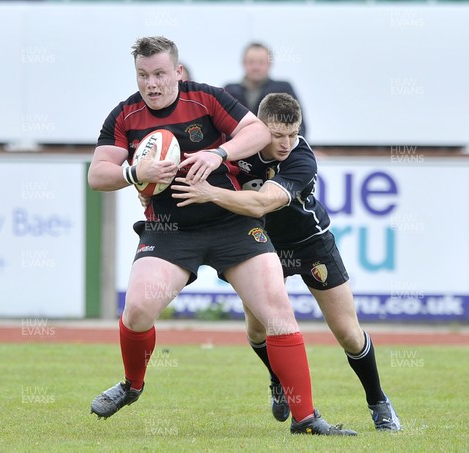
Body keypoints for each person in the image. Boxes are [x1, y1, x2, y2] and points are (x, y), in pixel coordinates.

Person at [88, 36, 356, 436]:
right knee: (138, 309)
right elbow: (97, 175)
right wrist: (134, 173)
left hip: (232, 224)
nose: (152, 84)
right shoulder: (125, 115)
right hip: (169, 229)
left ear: (177, 71)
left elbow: (257, 133)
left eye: (160, 73)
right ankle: (132, 385)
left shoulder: (208, 99)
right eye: (143, 75)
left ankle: (306, 419)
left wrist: (219, 154)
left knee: (278, 313)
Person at [171, 92, 401, 432]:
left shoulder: (302, 159)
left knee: (348, 333)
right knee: (257, 328)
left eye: (293, 133)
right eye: (278, 135)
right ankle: (278, 380)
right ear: (259, 127)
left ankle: (378, 401)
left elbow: (262, 204)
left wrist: (211, 194)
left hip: (311, 244)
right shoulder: (235, 145)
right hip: (259, 244)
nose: (286, 143)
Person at [225, 42, 307, 137]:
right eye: (251, 62)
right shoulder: (229, 91)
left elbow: (299, 124)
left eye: (261, 62)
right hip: (237, 149)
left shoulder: (283, 89)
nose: (256, 67)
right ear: (243, 63)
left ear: (270, 64)